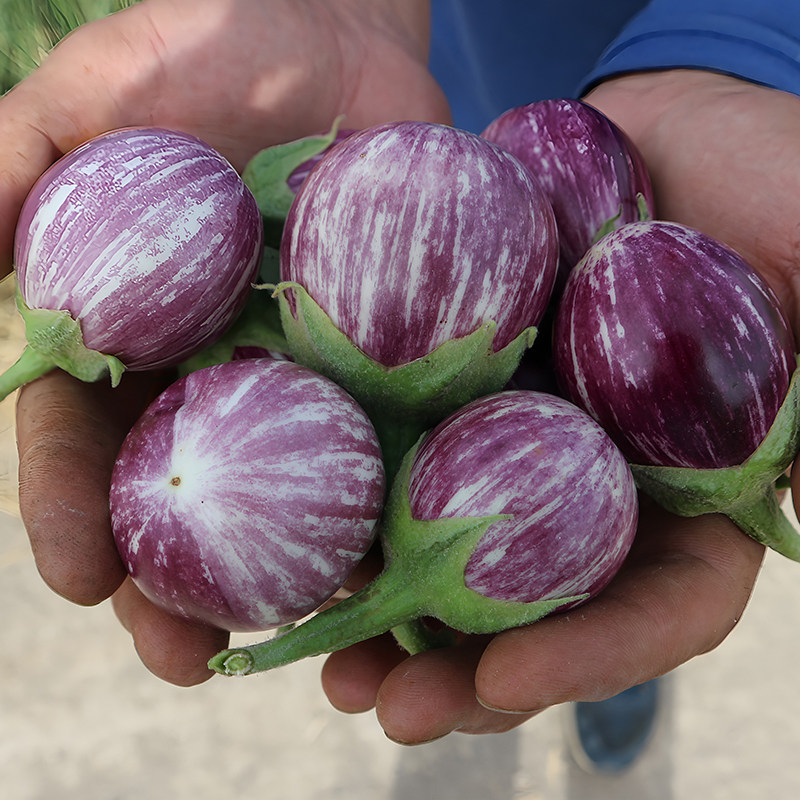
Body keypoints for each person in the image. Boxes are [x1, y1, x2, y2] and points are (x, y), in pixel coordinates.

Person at [5, 0, 800, 753]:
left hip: (627, 108)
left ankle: (615, 687)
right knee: (556, 631)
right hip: (449, 59)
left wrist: (745, 43)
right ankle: (605, 683)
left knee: (604, 623)